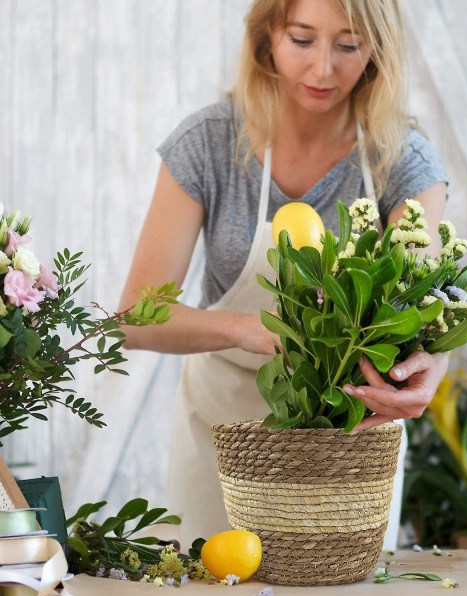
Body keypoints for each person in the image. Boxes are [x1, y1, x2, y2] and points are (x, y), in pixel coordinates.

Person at [119, 0, 449, 549]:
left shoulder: (402, 160)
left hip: (347, 443)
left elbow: (422, 312)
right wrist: (244, 328)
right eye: (302, 40)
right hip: (223, 438)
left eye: (348, 45)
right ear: (268, 34)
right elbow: (132, 319)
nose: (324, 69)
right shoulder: (207, 146)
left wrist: (431, 362)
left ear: (377, 49)